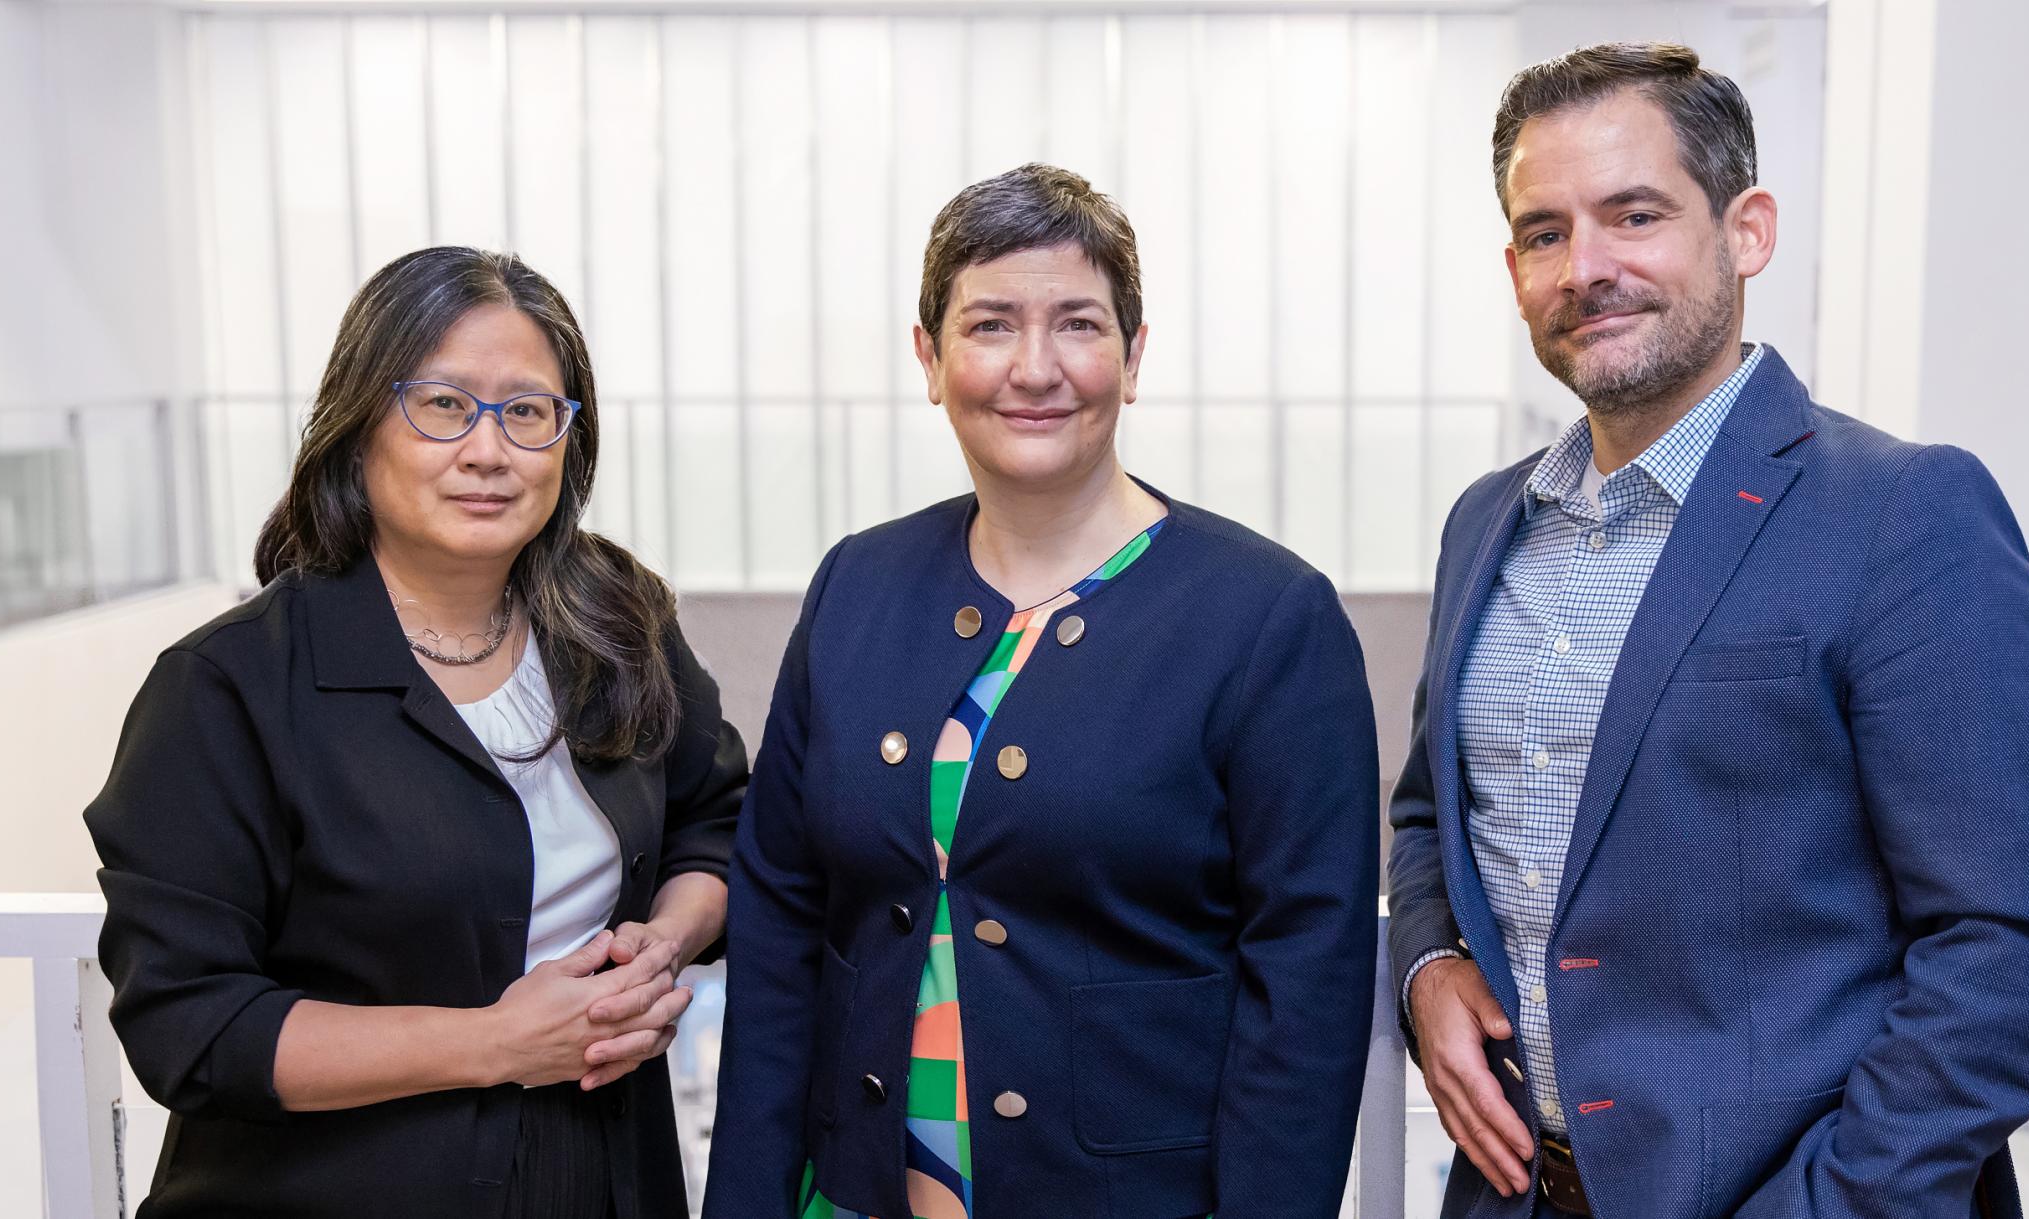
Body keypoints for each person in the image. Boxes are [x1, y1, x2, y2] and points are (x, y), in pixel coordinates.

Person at [1386, 44, 2029, 1219]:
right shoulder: (1485, 523)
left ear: (1746, 230)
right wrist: (1424, 964)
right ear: (1512, 268)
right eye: (1545, 232)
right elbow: (1427, 813)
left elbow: (2007, 944)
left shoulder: (1902, 513)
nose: (1587, 267)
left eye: (1634, 214)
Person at [702, 163, 1379, 1219]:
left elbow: (1307, 980)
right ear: (928, 358)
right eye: (987, 326)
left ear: (1132, 353)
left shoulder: (1265, 617)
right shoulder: (855, 587)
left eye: (1076, 323)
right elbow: (782, 918)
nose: (1033, 368)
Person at [85, 247, 747, 1217]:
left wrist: (662, 942)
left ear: (569, 441)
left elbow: (715, 819)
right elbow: (190, 1024)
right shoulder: (228, 687)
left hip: (602, 1169)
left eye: (527, 411)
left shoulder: (614, 617)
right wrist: (500, 1042)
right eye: (442, 404)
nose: (488, 450)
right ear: (359, 426)